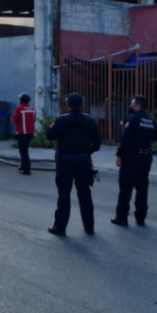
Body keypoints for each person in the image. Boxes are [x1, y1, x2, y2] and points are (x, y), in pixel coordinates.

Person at [46, 93, 101, 236]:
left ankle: (60, 227)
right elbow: (97, 143)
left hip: (65, 160)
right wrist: (87, 152)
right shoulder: (89, 121)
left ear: (67, 105)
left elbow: (49, 136)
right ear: (82, 104)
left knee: (64, 194)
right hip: (83, 160)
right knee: (84, 193)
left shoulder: (61, 120)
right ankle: (89, 227)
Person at [111, 95, 157, 228]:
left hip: (131, 157)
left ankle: (121, 217)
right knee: (142, 188)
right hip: (145, 157)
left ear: (138, 106)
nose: (131, 106)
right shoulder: (150, 121)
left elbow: (126, 139)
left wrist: (119, 155)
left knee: (125, 189)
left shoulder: (133, 120)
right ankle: (140, 218)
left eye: (132, 104)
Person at [12, 93, 37, 175]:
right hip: (30, 133)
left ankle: (26, 168)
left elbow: (13, 119)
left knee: (23, 151)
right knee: (24, 150)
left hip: (22, 133)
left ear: (21, 100)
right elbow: (34, 120)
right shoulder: (32, 109)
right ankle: (23, 166)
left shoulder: (19, 109)